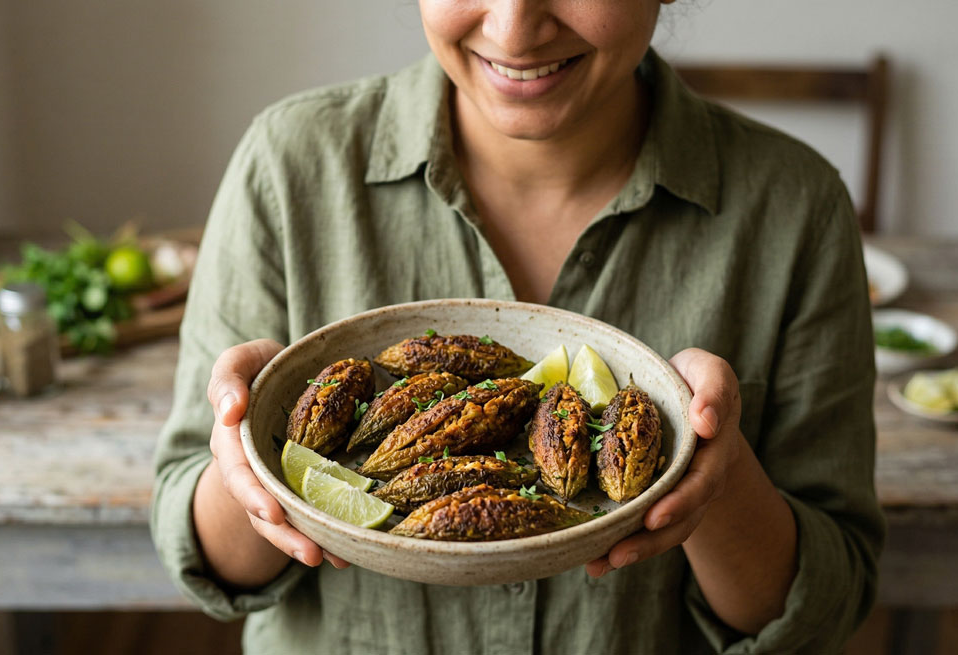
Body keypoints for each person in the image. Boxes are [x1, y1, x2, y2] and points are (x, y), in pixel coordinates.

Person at [151, 1, 884, 652]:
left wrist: (716, 471)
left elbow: (818, 605)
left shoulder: (795, 209)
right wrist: (244, 445)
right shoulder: (290, 165)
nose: (514, 26)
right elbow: (206, 559)